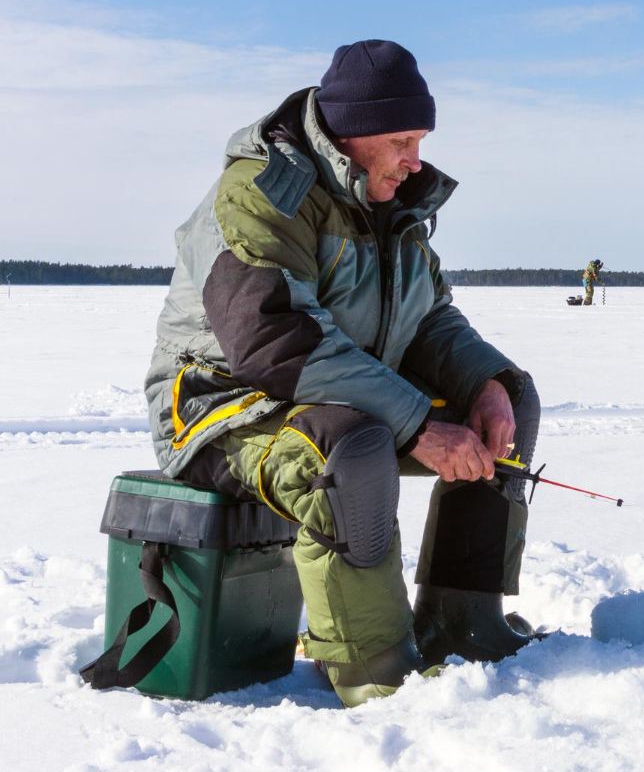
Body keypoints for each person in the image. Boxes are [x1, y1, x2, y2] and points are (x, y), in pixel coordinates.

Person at [144, 40, 540, 707]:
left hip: (330, 395)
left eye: (419, 139)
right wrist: (415, 424)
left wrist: (488, 384)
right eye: (401, 140)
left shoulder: (393, 201)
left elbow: (429, 321)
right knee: (349, 447)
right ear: (350, 134)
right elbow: (275, 340)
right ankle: (372, 666)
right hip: (223, 409)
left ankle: (462, 623)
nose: (415, 160)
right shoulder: (262, 194)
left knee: (507, 407)